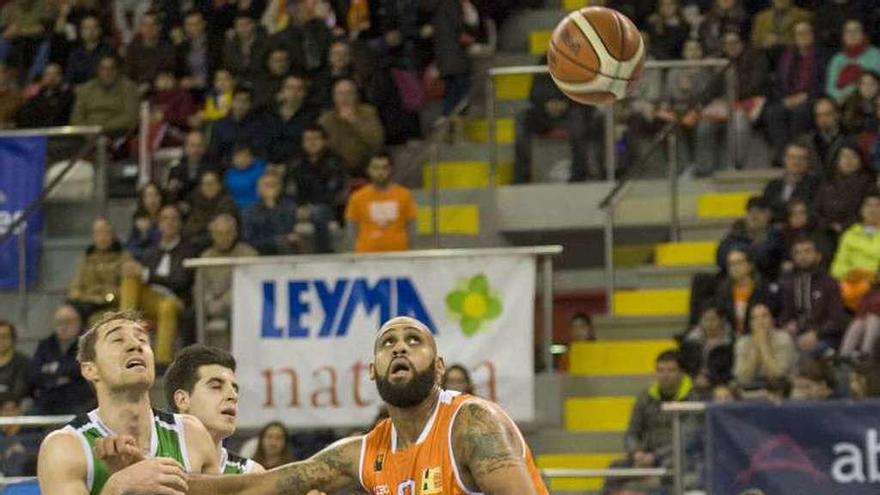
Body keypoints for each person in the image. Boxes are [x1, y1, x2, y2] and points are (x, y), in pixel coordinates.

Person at [106, 316, 549, 493]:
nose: (399, 348)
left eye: (414, 341)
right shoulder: (364, 452)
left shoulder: (472, 423)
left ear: (438, 369)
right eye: (387, 343)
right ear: (371, 371)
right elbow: (255, 488)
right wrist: (156, 474)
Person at [36, 310, 220, 494]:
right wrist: (117, 486)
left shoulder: (191, 433)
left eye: (143, 340)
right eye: (117, 340)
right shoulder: (65, 446)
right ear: (90, 370)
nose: (135, 345)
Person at [163, 344, 264, 474]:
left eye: (235, 389)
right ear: (182, 400)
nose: (233, 396)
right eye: (216, 386)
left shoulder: (250, 474)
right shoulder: (151, 457)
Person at [120, 205, 198, 366]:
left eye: (173, 219)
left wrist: (147, 274)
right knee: (130, 276)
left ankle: (162, 360)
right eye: (165, 219)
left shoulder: (188, 250)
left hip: (175, 299)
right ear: (159, 223)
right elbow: (141, 276)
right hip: (151, 298)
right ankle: (125, 327)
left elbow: (181, 281)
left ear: (180, 223)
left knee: (167, 305)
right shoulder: (151, 251)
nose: (169, 222)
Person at [513, 55, 604, 183]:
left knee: (579, 122)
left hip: (573, 110)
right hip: (545, 113)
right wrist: (547, 102)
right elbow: (534, 92)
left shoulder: (585, 58)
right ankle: (521, 177)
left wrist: (566, 103)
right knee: (522, 120)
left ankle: (578, 175)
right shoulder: (545, 59)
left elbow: (589, 93)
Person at [611, 350, 693, 488]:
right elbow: (632, 433)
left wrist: (655, 457)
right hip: (645, 458)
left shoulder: (693, 399)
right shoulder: (645, 397)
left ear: (681, 373)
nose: (665, 375)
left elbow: (689, 439)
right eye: (660, 370)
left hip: (679, 458)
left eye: (671, 370)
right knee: (615, 469)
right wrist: (636, 452)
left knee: (668, 470)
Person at [764, 20, 828, 164]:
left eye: (806, 32)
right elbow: (779, 83)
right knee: (773, 112)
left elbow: (825, 83)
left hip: (813, 96)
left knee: (801, 112)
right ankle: (784, 156)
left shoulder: (822, 55)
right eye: (799, 33)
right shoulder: (787, 56)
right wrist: (785, 99)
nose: (803, 36)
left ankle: (798, 155)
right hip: (789, 97)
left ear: (813, 34)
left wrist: (806, 96)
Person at [779, 238, 847, 355]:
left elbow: (837, 320)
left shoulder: (829, 283)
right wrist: (787, 325)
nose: (802, 256)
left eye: (807, 251)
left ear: (818, 256)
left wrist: (816, 333)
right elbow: (784, 314)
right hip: (796, 335)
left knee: (807, 352)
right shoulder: (789, 283)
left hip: (824, 337)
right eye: (798, 253)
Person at [284, 125, 344, 253]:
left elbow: (336, 191)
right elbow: (289, 189)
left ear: (324, 141)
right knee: (285, 210)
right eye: (307, 139)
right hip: (300, 207)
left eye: (316, 138)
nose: (311, 143)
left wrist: (310, 208)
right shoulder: (295, 162)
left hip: (329, 207)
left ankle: (323, 253)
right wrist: (299, 206)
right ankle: (289, 253)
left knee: (319, 213)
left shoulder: (334, 162)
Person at [26, 304, 94, 415]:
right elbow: (34, 375)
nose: (63, 326)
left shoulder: (88, 344)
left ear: (79, 322)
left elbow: (80, 370)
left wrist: (52, 371)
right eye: (59, 322)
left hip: (79, 402)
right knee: (28, 420)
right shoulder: (45, 345)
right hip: (46, 402)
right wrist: (64, 376)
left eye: (68, 321)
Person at [199, 214, 257, 341]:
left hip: (238, 304)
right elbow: (200, 285)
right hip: (211, 304)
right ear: (213, 235)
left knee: (239, 314)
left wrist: (224, 302)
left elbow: (248, 285)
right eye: (219, 233)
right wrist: (208, 301)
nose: (223, 238)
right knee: (191, 314)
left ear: (235, 233)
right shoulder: (205, 257)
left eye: (228, 233)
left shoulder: (248, 254)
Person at [345, 152, 418, 253]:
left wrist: (411, 253)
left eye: (384, 168)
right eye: (375, 168)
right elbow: (352, 229)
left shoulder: (405, 195)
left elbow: (411, 226)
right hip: (366, 256)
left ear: (391, 169)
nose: (380, 172)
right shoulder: (357, 197)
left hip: (399, 255)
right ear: (368, 170)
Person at [67, 218, 133, 323]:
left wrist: (106, 296)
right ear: (93, 236)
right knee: (65, 315)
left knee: (99, 320)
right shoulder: (86, 261)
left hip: (112, 307)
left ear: (113, 235)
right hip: (88, 306)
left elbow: (129, 290)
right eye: (98, 233)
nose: (102, 237)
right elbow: (74, 290)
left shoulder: (124, 259)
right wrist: (91, 298)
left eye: (106, 232)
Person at [318, 79, 385, 176]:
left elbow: (377, 141)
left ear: (356, 96)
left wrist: (354, 122)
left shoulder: (368, 112)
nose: (345, 98)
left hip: (366, 166)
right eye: (340, 94)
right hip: (336, 170)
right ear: (334, 97)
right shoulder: (326, 119)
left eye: (349, 93)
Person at [814, 145, 877, 240]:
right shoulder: (828, 181)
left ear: (860, 160)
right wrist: (827, 225)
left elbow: (867, 211)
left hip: (856, 232)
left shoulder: (868, 184)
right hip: (825, 231)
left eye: (853, 156)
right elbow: (816, 209)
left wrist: (843, 226)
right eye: (844, 156)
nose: (848, 160)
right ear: (837, 160)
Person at [715, 196, 784, 281]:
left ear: (768, 214)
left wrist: (737, 253)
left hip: (763, 279)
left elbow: (763, 258)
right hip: (733, 279)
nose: (754, 216)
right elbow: (720, 258)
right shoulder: (736, 232)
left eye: (759, 212)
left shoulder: (774, 234)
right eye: (750, 212)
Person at [831, 193, 880, 311]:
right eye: (868, 205)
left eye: (877, 206)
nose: (872, 209)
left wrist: (870, 275)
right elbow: (838, 266)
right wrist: (850, 274)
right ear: (862, 210)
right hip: (851, 282)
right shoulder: (850, 234)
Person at [69, 55, 139, 137]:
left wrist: (102, 128)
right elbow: (76, 117)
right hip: (87, 135)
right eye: (103, 69)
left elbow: (130, 117)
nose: (107, 73)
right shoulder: (87, 88)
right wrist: (88, 131)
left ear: (118, 70)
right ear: (98, 71)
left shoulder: (128, 88)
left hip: (116, 134)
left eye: (111, 69)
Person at [715, 248, 779, 336]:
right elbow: (721, 316)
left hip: (759, 334)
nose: (734, 267)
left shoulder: (763, 288)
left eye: (739, 263)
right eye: (731, 264)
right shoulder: (723, 290)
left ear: (750, 265)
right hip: (731, 335)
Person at [733, 303, 797, 390]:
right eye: (754, 318)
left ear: (772, 320)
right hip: (751, 390)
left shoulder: (783, 339)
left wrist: (763, 345)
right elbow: (743, 379)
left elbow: (778, 376)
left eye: (764, 316)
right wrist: (755, 347)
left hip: (782, 389)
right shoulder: (743, 342)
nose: (760, 321)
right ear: (750, 324)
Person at [209, 86, 279, 162]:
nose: (241, 104)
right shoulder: (219, 125)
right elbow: (214, 154)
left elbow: (262, 152)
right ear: (232, 102)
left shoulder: (259, 125)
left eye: (245, 101)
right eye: (238, 100)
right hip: (226, 168)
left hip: (252, 167)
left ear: (250, 104)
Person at [242, 173, 301, 255]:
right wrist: (274, 240)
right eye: (266, 185)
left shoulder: (289, 207)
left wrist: (272, 206)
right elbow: (249, 239)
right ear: (258, 189)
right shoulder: (249, 211)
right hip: (259, 252)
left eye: (273, 185)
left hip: (284, 250)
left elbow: (285, 230)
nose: (270, 188)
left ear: (280, 188)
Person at [761, 143, 818, 222]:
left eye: (801, 158)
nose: (796, 162)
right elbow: (765, 210)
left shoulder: (815, 185)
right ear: (785, 159)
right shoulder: (772, 185)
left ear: (808, 162)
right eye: (792, 157)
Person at [796, 96, 852, 179]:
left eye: (827, 114)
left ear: (838, 115)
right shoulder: (806, 141)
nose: (822, 119)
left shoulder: (849, 139)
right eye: (818, 115)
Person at [826, 19, 880, 103]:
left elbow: (873, 81)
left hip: (867, 98)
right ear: (843, 36)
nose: (852, 34)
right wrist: (838, 96)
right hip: (838, 101)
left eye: (856, 30)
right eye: (848, 31)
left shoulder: (875, 54)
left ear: (863, 34)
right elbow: (830, 87)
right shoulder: (837, 58)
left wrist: (846, 94)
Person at [679, 305, 734, 388]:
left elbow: (729, 372)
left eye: (713, 319)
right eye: (705, 320)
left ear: (721, 321)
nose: (709, 324)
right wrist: (694, 378)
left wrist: (710, 380)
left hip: (720, 386)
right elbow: (685, 367)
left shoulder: (729, 345)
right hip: (692, 385)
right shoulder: (690, 343)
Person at [183, 170, 238, 250]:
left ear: (219, 186)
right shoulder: (197, 204)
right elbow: (188, 229)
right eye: (205, 184)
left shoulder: (227, 205)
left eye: (212, 183)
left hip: (221, 247)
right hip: (196, 245)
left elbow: (222, 232)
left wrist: (200, 229)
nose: (209, 187)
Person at [269, 75, 317, 165]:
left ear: (304, 93)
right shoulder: (269, 114)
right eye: (290, 88)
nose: (294, 92)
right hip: (267, 165)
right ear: (282, 91)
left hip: (298, 166)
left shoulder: (312, 116)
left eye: (299, 89)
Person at [124, 10, 175, 90]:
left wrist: (149, 84)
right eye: (145, 25)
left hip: (158, 88)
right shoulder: (134, 45)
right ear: (140, 27)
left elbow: (168, 71)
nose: (148, 29)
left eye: (152, 25)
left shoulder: (167, 47)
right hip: (136, 88)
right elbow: (128, 71)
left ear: (159, 27)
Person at [165, 130, 215, 206]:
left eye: (199, 146)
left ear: (204, 148)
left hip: (204, 206)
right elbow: (171, 194)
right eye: (192, 145)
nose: (196, 150)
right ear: (186, 147)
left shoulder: (212, 168)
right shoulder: (176, 169)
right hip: (180, 207)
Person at [15, 62, 73, 127]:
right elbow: (24, 116)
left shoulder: (66, 97)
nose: (51, 78)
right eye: (47, 74)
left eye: (55, 74)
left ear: (60, 77)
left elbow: (57, 117)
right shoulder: (36, 98)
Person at [64, 13, 114, 85]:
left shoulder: (108, 51)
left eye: (94, 27)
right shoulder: (75, 54)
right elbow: (69, 78)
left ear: (100, 30)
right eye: (86, 28)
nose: (91, 31)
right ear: (81, 32)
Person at [222, 13, 269, 86]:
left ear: (253, 25)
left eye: (247, 24)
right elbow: (228, 67)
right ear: (235, 28)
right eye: (240, 25)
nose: (244, 28)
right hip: (237, 84)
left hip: (261, 83)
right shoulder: (230, 46)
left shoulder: (265, 44)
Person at [126, 182, 164, 261]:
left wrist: (148, 232)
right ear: (143, 200)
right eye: (148, 196)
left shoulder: (168, 216)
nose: (152, 200)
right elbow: (131, 248)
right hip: (143, 260)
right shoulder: (138, 220)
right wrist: (143, 236)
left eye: (155, 195)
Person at [225, 143, 268, 210]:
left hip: (258, 208)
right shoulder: (229, 174)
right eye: (238, 157)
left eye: (245, 156)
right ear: (232, 159)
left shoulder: (261, 170)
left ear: (252, 158)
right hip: (235, 209)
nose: (241, 160)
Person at [0, 321, 28, 398]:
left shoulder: (23, 362)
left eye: (4, 337)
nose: (0, 341)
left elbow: (17, 393)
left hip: (11, 407)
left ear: (13, 339)